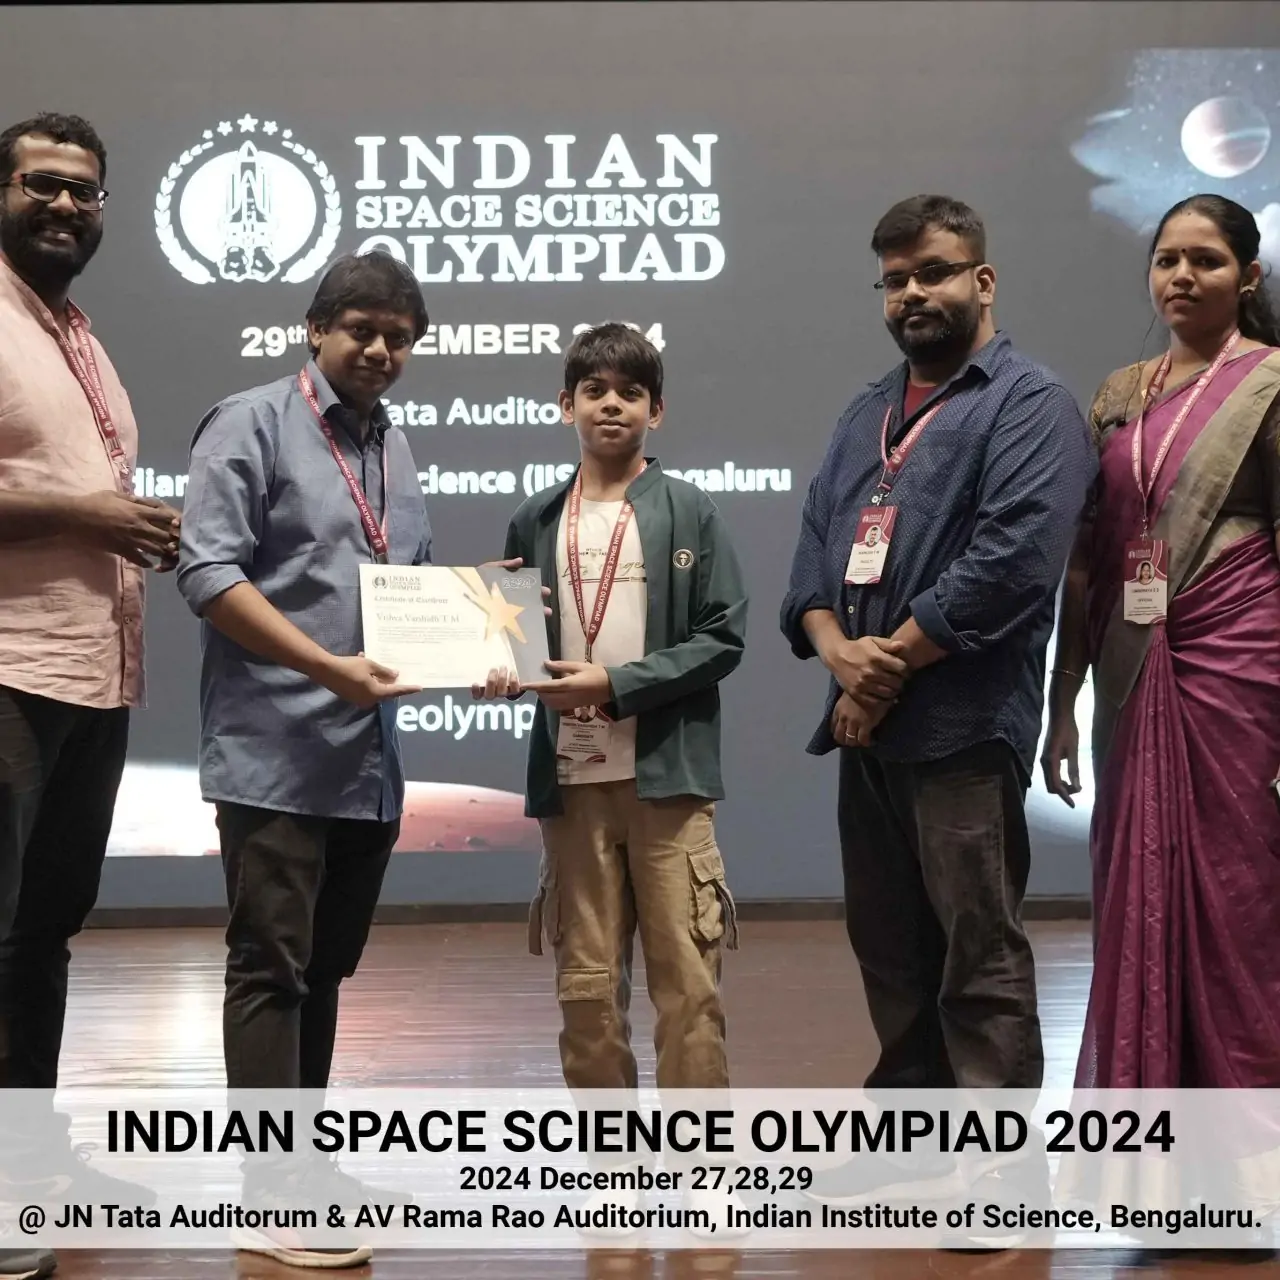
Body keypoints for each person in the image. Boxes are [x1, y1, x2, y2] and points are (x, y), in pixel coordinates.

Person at [780, 195, 1095, 1209]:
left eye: (933, 272)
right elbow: (813, 557)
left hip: (962, 724)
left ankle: (1003, 1167)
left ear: (982, 280)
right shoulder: (864, 412)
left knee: (975, 944)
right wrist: (840, 654)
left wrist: (884, 669)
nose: (911, 292)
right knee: (889, 943)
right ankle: (912, 1136)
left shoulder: (1030, 404)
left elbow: (1010, 566)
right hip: (863, 721)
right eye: (894, 280)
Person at [176, 250, 432, 1269]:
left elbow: (403, 583)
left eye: (398, 338)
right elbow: (206, 571)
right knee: (270, 968)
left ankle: (303, 1168)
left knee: (322, 971)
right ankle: (270, 1193)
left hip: (366, 762)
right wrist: (325, 667)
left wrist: (482, 616)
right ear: (315, 329)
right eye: (360, 330)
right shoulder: (251, 421)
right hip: (275, 750)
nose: (378, 350)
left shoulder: (393, 443)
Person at [494, 323, 747, 1225]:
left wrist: (617, 685)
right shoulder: (534, 518)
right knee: (587, 986)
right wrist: (500, 668)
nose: (612, 405)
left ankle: (700, 1163)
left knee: (688, 983)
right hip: (573, 785)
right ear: (564, 405)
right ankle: (610, 1159)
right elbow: (512, 637)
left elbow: (724, 637)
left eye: (630, 392)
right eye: (594, 390)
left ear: (656, 411)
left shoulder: (689, 510)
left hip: (668, 780)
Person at [1043, 195, 1280, 1088]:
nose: (1182, 276)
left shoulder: (1271, 383)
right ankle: (1152, 1131)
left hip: (1240, 667)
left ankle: (1251, 1133)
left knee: (1241, 893)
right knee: (1134, 885)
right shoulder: (1119, 392)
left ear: (1248, 276)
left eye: (1206, 260)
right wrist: (1062, 702)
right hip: (1128, 668)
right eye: (1167, 259)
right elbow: (1085, 557)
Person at [0, 112, 180, 1280]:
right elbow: (66, 500)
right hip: (7, 669)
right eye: (42, 184)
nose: (66, 205)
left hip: (90, 674)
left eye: (85, 192)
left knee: (42, 935)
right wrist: (89, 513)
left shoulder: (75, 332)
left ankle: (29, 1159)